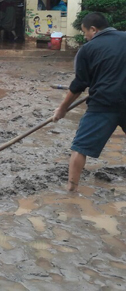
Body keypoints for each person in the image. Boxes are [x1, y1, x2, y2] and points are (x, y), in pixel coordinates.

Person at [53, 13, 126, 192]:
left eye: (85, 32)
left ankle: (71, 189)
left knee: (80, 147)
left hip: (102, 104)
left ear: (93, 29)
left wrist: (62, 109)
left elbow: (79, 85)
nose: (85, 37)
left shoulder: (87, 49)